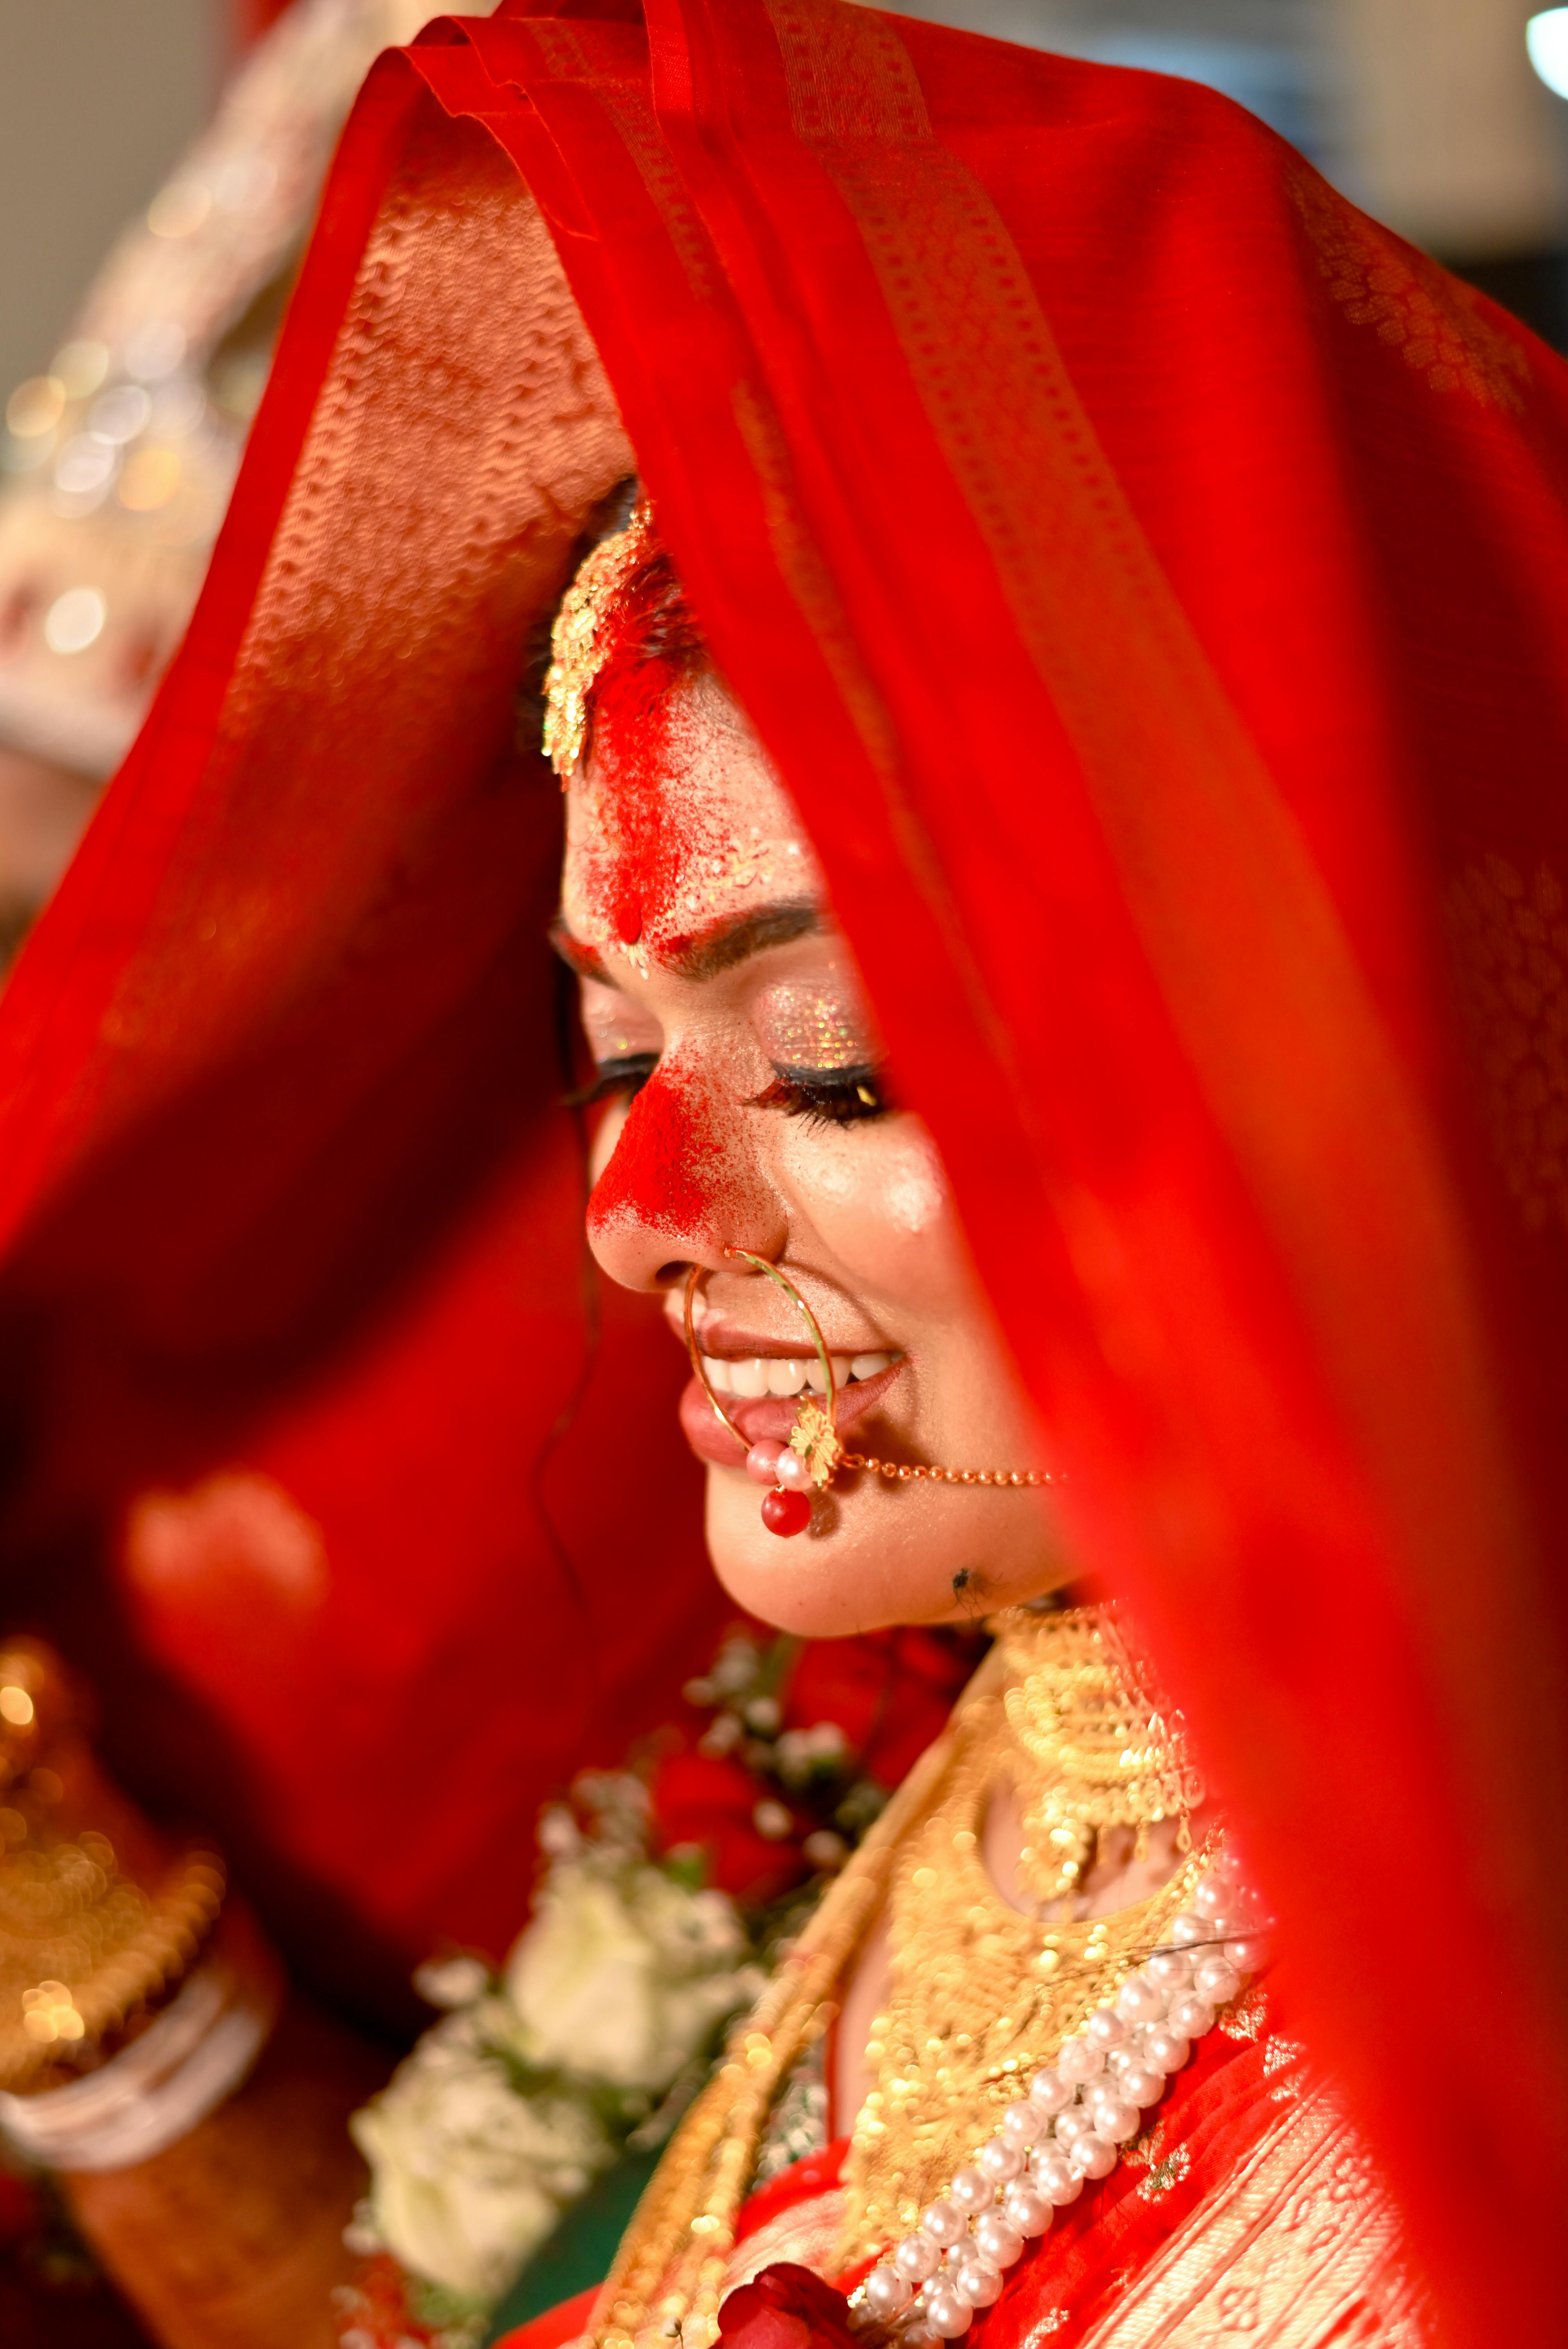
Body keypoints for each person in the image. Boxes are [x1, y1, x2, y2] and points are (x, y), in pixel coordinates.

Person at [0, 4, 1563, 2346]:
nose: (634, 1211)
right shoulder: (1010, 1776)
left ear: (1334, 1058)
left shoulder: (1480, 2023)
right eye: (605, 1043)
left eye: (831, 1069)